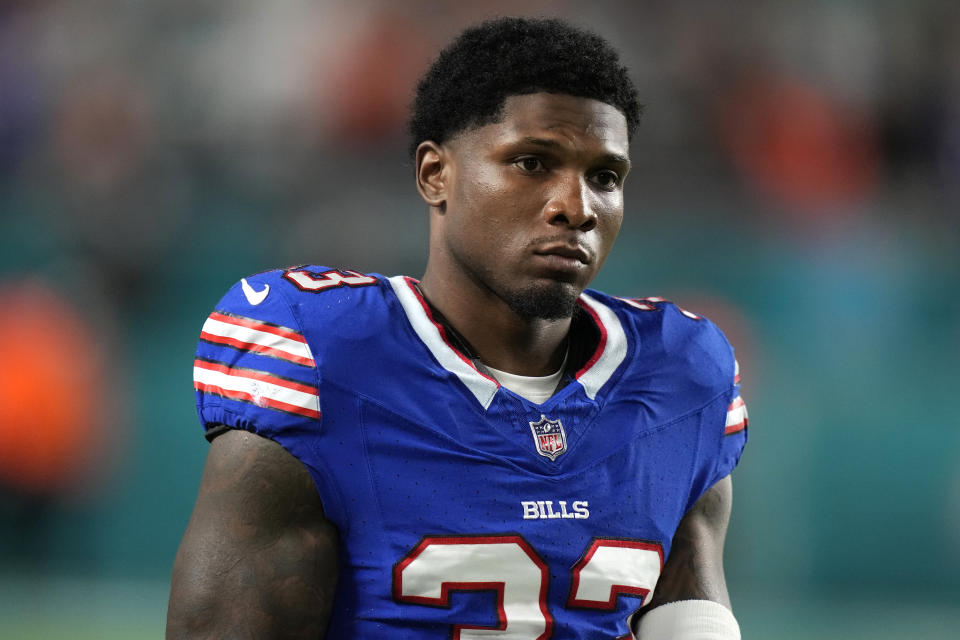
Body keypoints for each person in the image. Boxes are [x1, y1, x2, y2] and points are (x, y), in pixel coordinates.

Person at [167, 16, 748, 640]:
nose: (576, 206)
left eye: (604, 177)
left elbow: (690, 612)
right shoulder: (326, 357)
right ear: (434, 175)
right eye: (531, 162)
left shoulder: (677, 377)